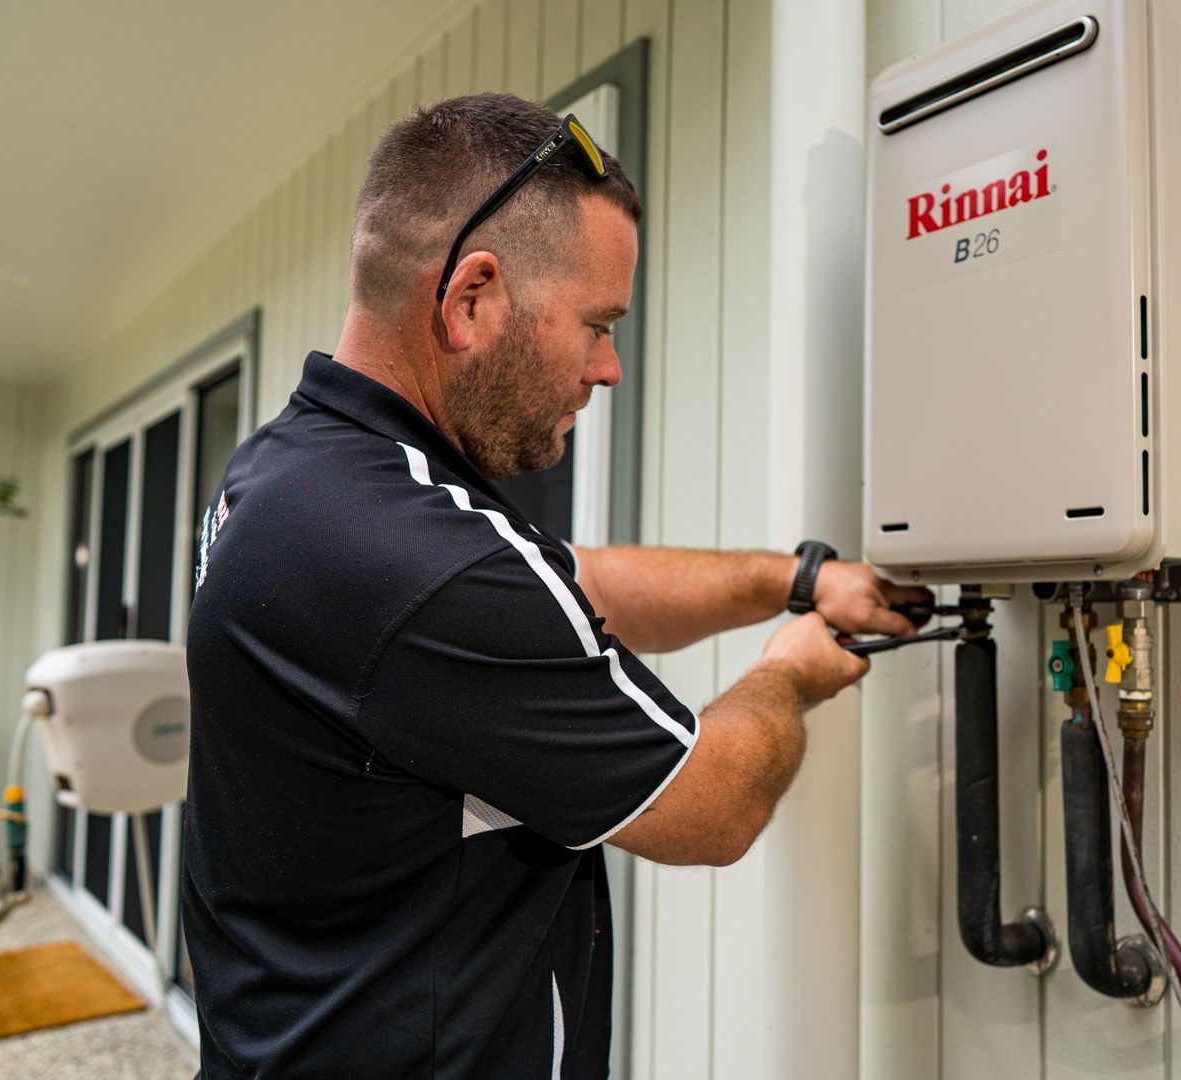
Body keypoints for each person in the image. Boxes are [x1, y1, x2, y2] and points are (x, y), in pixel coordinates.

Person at [180, 92, 929, 1078]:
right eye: (597, 324)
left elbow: (580, 584)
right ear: (473, 298)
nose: (609, 367)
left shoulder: (297, 476)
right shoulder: (424, 567)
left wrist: (798, 580)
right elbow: (711, 807)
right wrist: (788, 673)